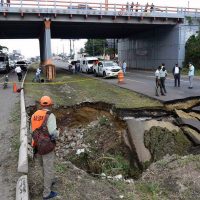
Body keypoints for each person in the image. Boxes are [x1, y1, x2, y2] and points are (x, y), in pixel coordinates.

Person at [31, 96, 59, 199]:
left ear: (41, 104)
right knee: (48, 169)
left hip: (37, 146)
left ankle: (48, 181)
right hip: (47, 147)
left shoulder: (34, 115)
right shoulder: (50, 115)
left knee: (43, 167)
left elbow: (32, 131)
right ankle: (47, 193)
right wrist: (58, 133)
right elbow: (53, 133)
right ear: (50, 105)